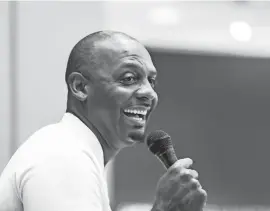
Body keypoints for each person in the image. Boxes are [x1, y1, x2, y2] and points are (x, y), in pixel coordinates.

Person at [0, 31, 207, 211]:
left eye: (151, 81)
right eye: (129, 78)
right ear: (80, 87)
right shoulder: (64, 155)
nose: (149, 93)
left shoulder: (75, 152)